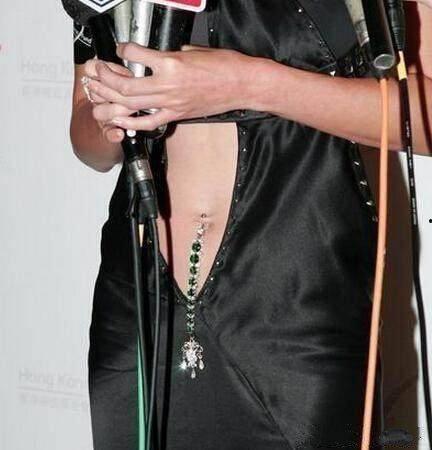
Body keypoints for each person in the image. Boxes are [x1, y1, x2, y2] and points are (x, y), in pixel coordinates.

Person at [68, 1, 432, 449]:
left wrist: (250, 84)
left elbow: (426, 113)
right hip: (137, 303)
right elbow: (85, 134)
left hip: (299, 304)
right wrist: (107, 121)